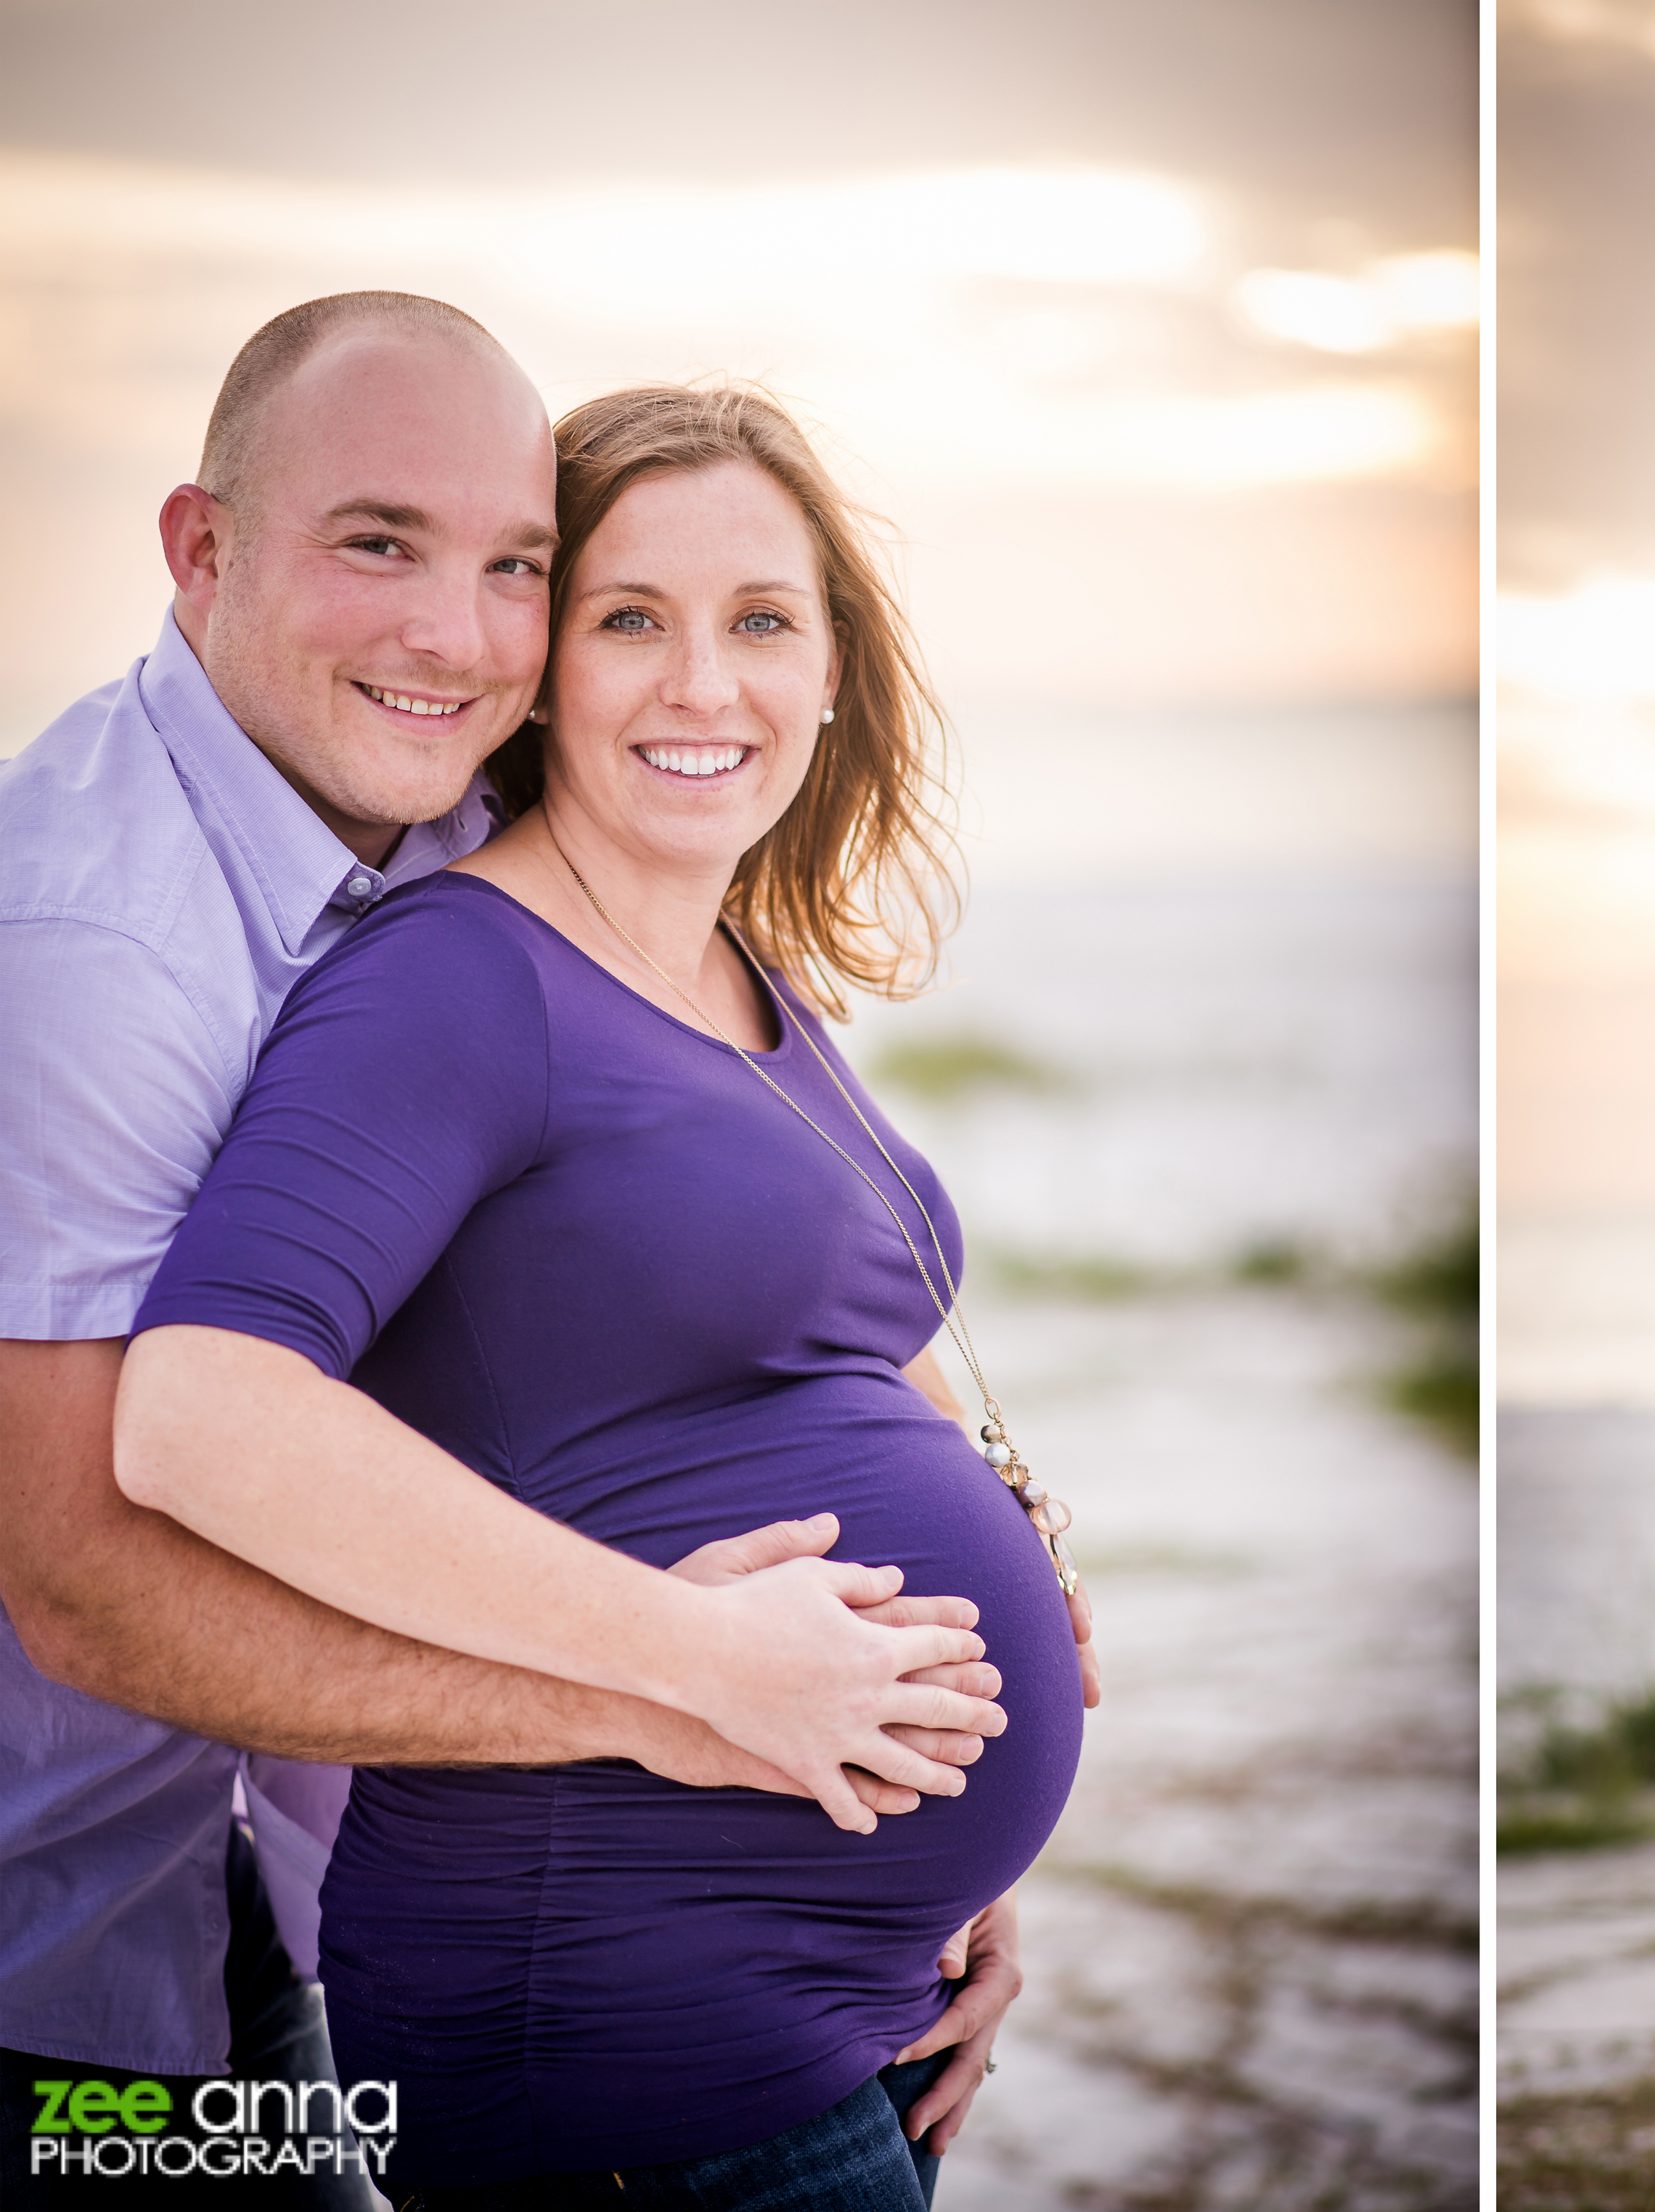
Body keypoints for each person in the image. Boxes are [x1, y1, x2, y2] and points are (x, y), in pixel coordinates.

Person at [0, 295, 1068, 2197]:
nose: (451, 633)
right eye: (375, 543)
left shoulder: (488, 851)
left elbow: (625, 1339)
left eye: (509, 567)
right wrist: (712, 1685)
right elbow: (105, 1549)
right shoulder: (104, 963)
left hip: (276, 1903)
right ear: (202, 546)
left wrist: (920, 1808)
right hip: (48, 1974)